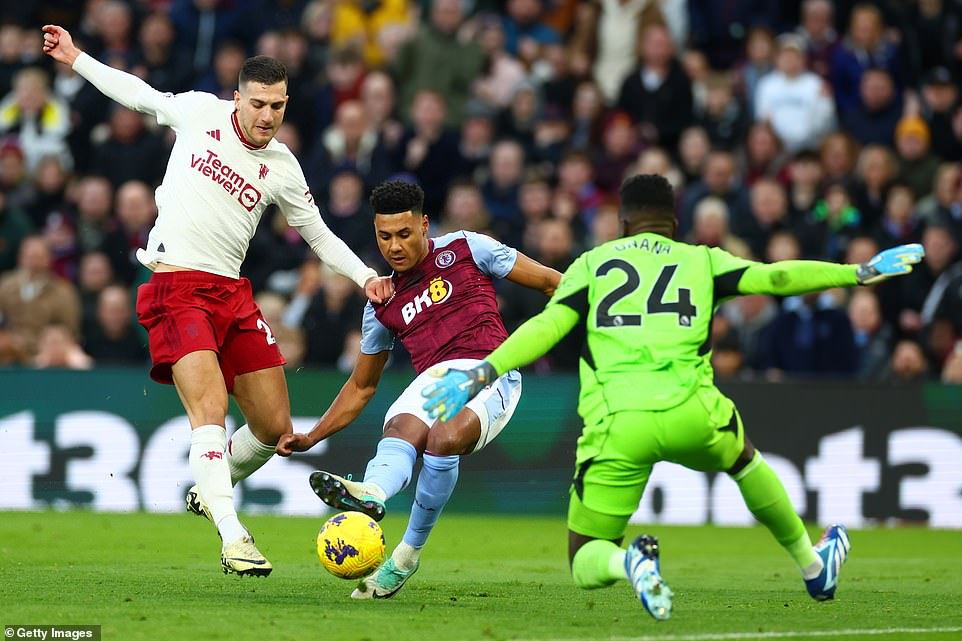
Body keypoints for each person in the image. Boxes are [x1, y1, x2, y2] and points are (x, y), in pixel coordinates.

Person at [421, 174, 925, 620]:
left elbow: (549, 325)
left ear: (623, 221)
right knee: (745, 459)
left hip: (618, 423)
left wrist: (483, 372)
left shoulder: (593, 264)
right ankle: (813, 567)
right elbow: (775, 277)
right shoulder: (702, 261)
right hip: (692, 411)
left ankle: (629, 562)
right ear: (674, 220)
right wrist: (855, 273)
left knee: (585, 560)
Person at [42, 24, 392, 577]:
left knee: (276, 427)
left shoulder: (282, 166)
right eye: (258, 103)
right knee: (209, 411)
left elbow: (318, 233)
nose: (268, 115)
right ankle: (234, 536)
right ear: (238, 98)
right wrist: (76, 57)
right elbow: (138, 93)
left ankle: (212, 486)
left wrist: (365, 275)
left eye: (278, 105)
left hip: (231, 294)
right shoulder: (200, 112)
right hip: (176, 288)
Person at [275, 180, 562, 598]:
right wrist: (313, 436)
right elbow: (361, 386)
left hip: (491, 372)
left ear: (425, 225)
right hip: (434, 380)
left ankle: (407, 555)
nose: (394, 246)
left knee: (442, 439)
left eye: (404, 234)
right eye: (384, 236)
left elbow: (553, 282)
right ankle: (371, 492)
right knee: (402, 429)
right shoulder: (381, 303)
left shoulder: (467, 248)